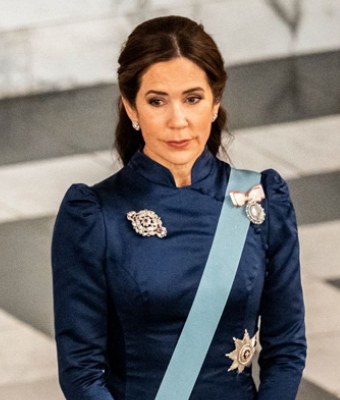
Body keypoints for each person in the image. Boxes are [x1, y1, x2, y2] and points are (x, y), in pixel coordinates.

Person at [51, 15, 305, 400]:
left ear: (215, 102)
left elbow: (286, 348)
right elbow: (81, 371)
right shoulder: (94, 215)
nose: (178, 120)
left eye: (193, 98)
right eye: (157, 101)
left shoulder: (260, 198)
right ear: (131, 108)